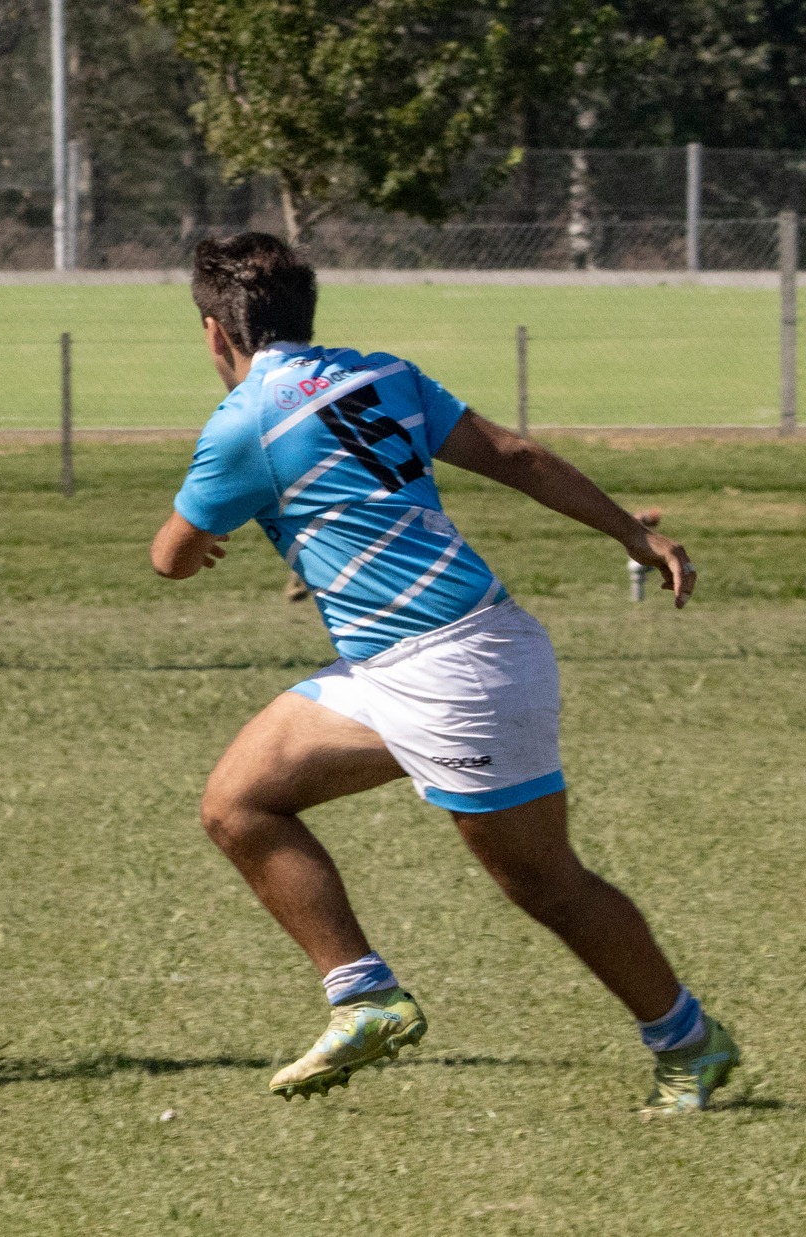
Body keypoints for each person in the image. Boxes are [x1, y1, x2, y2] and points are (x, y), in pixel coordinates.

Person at [151, 233, 738, 1114]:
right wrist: (631, 531)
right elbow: (516, 456)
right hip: (399, 664)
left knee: (546, 882)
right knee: (237, 801)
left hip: (454, 671)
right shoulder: (380, 374)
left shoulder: (244, 423)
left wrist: (203, 545)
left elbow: (169, 554)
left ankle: (689, 1042)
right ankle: (364, 996)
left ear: (212, 332)